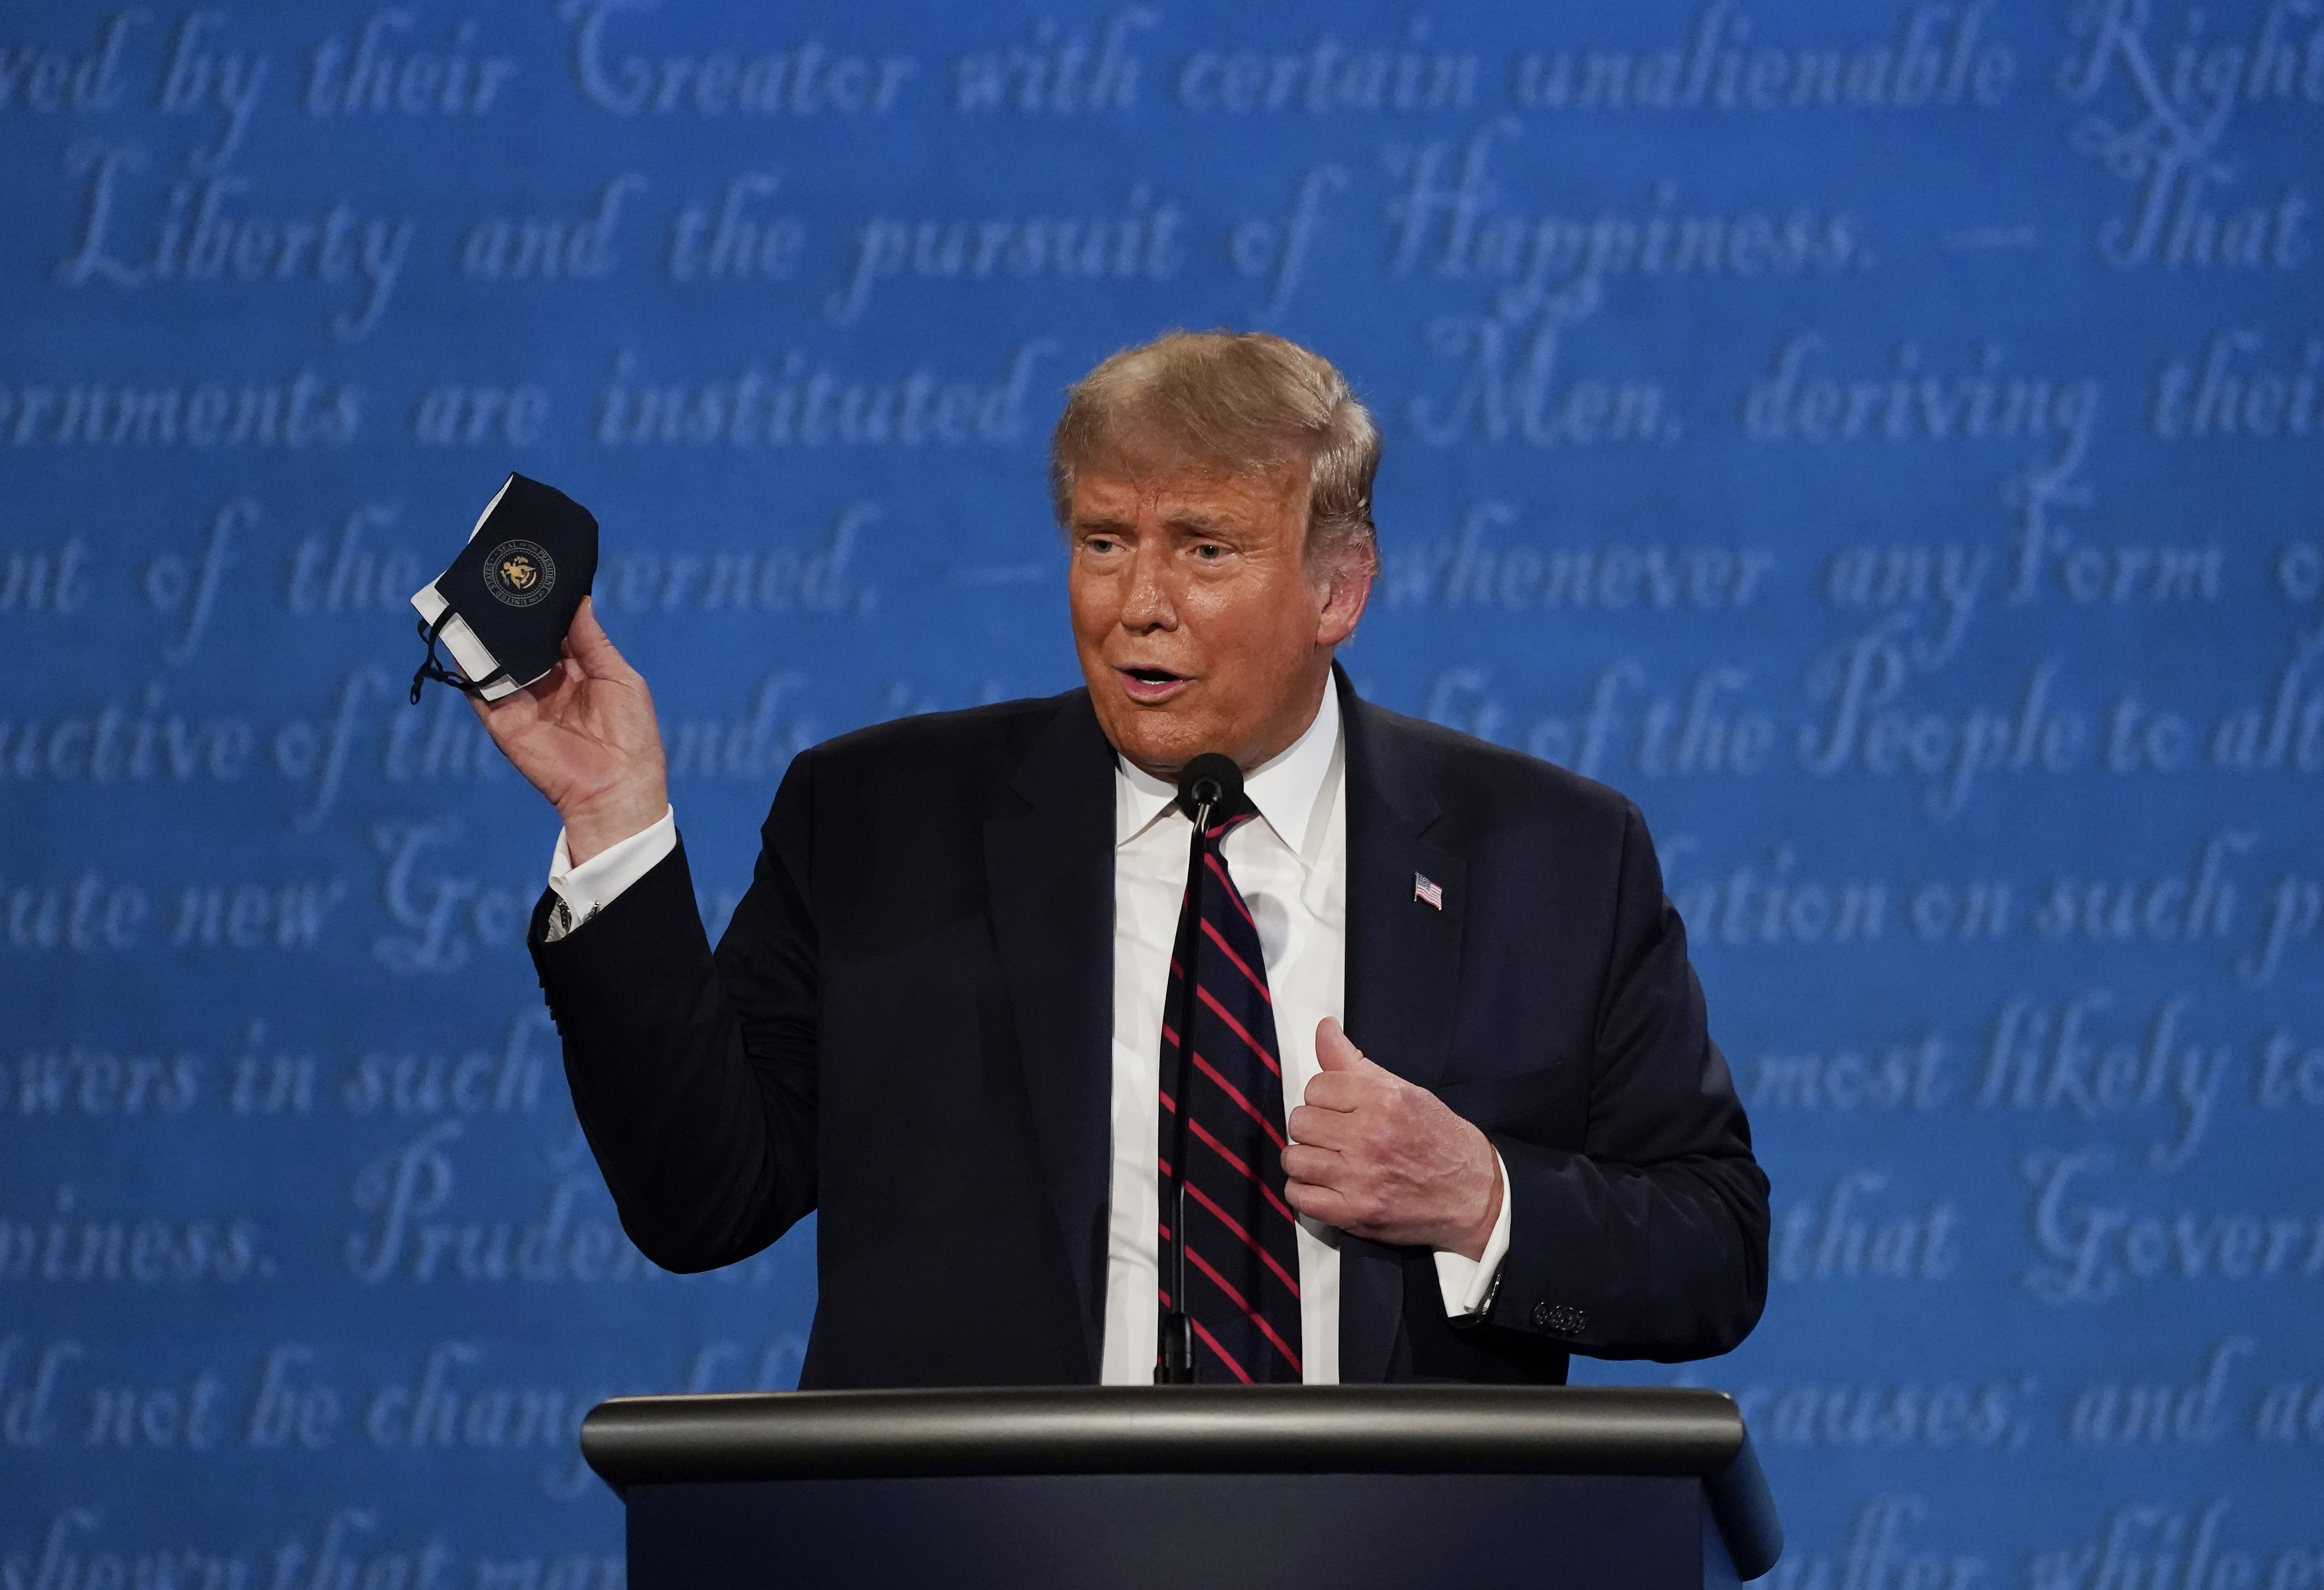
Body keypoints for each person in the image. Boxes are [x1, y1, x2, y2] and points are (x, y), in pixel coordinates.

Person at [478, 330, 1766, 1388]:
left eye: (1204, 548)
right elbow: (705, 1197)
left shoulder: (1551, 857)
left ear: (1339, 586)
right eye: (1104, 541)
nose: (1134, 601)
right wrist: (615, 821)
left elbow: (1714, 1247)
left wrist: (1479, 1195)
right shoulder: (877, 821)